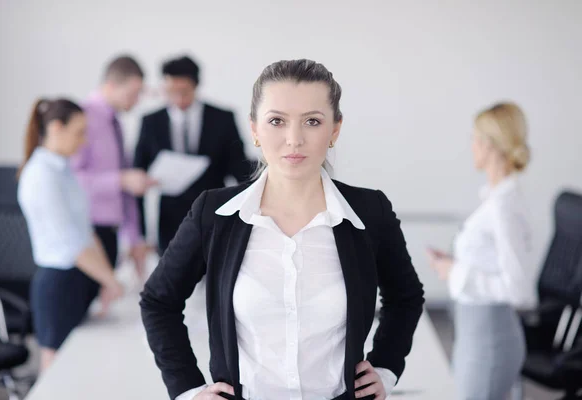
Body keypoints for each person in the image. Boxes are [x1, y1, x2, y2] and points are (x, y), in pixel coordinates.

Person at [140, 59, 425, 400]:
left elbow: (405, 297)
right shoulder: (214, 214)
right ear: (255, 130)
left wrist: (386, 368)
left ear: (334, 129)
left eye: (313, 121)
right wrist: (187, 388)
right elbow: (158, 301)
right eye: (277, 121)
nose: (294, 139)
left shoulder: (369, 212)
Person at [427, 102, 536, 400]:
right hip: (476, 334)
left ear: (490, 146)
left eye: (475, 139)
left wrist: (455, 271)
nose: (471, 146)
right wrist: (455, 265)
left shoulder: (504, 206)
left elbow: (520, 291)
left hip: (489, 342)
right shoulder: (497, 198)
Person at [18, 99, 124, 372]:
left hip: (78, 279)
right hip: (57, 285)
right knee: (55, 375)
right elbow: (72, 244)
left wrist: (107, 279)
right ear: (56, 128)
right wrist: (111, 282)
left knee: (79, 369)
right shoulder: (41, 175)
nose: (84, 141)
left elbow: (86, 232)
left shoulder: (64, 171)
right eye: (79, 132)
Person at [133, 55, 254, 254]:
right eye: (171, 92)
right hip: (169, 224)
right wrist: (141, 235)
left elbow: (239, 169)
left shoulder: (222, 119)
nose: (178, 99)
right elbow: (138, 177)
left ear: (196, 86)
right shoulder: (151, 122)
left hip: (214, 216)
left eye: (184, 92)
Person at [72, 55, 155, 278]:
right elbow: (71, 180)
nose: (136, 101)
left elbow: (125, 186)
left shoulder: (115, 123)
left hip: (111, 233)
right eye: (132, 94)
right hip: (87, 234)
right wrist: (121, 180)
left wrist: (135, 239)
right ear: (110, 86)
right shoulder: (81, 119)